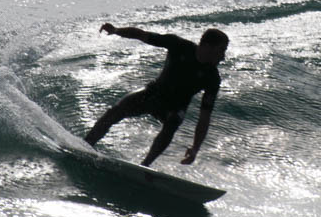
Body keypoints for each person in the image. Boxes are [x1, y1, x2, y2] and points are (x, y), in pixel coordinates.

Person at [84, 23, 229, 167]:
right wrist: (116, 31)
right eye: (221, 50)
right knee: (115, 111)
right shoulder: (179, 45)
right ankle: (86, 145)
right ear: (208, 46)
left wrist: (195, 148)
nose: (223, 57)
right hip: (153, 94)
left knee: (173, 121)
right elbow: (141, 35)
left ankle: (145, 166)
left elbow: (205, 117)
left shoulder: (212, 78)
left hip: (174, 107)